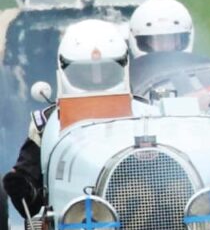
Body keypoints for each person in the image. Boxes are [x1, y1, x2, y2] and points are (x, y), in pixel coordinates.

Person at [4, 20, 131, 217]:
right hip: (74, 223)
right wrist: (22, 186)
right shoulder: (47, 124)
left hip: (134, 210)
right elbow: (32, 196)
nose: (96, 79)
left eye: (105, 70)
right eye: (85, 71)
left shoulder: (143, 113)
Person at [127, 0, 210, 91]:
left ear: (185, 39)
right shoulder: (127, 80)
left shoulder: (205, 70)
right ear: (142, 43)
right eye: (158, 41)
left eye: (172, 40)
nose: (165, 47)